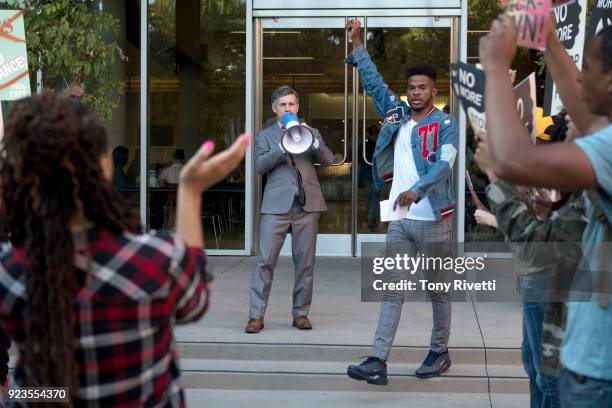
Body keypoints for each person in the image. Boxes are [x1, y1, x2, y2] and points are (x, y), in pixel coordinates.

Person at [0, 92, 250, 406]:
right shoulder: (155, 260)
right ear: (104, 165)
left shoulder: (9, 273)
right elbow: (194, 301)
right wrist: (190, 192)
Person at [478, 15, 612, 407]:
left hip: (599, 374)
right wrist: (549, 39)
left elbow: (511, 159)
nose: (580, 79)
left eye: (587, 68)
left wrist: (497, 66)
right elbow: (587, 117)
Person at [344, 19, 459, 384]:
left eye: (422, 87)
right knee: (392, 291)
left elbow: (445, 164)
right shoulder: (396, 115)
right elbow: (375, 84)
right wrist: (358, 44)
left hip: (434, 221)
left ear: (434, 90)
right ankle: (377, 360)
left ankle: (440, 352)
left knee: (437, 293)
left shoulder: (446, 124)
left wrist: (418, 190)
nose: (415, 93)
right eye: (411, 87)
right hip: (400, 221)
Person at [245, 85, 333, 333]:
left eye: (291, 104)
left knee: (305, 263)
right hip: (276, 206)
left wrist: (313, 140)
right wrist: (282, 147)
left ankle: (301, 313)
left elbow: (328, 159)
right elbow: (259, 166)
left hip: (307, 206)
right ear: (275, 109)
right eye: (282, 105)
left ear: (297, 107)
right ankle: (256, 316)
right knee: (265, 261)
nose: (287, 109)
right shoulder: (265, 136)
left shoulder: (311, 131)